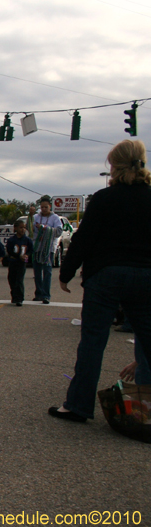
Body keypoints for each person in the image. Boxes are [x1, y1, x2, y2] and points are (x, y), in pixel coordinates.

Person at [49, 139, 151, 423]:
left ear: (113, 166)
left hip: (105, 275)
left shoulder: (104, 199)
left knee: (93, 343)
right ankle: (146, 411)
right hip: (146, 275)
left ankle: (78, 406)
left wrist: (66, 272)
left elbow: (84, 238)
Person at [29, 196, 63, 304]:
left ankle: (46, 295)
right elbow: (29, 228)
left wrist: (45, 228)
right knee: (37, 271)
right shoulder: (35, 217)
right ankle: (38, 294)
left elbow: (58, 231)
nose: (43, 209)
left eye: (46, 207)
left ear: (50, 207)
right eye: (42, 207)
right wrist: (30, 216)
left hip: (48, 248)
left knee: (47, 272)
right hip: (37, 247)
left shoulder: (55, 218)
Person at [5, 220, 33, 306]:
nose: (23, 229)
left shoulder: (27, 240)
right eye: (21, 227)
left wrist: (26, 255)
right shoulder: (12, 240)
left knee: (19, 280)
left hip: (22, 263)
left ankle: (19, 298)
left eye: (24, 228)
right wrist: (17, 256)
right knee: (12, 279)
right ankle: (14, 296)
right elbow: (9, 251)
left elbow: (31, 250)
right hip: (13, 262)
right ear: (16, 228)